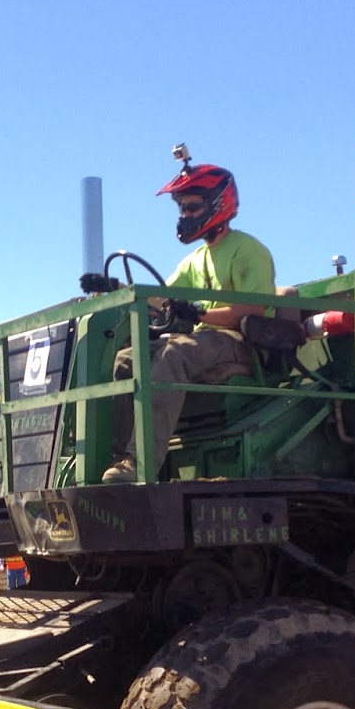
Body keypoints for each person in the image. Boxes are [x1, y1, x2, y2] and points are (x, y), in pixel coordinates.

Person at [103, 154, 275, 484]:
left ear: (219, 204)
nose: (185, 216)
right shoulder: (194, 260)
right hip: (204, 341)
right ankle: (120, 458)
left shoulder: (247, 250)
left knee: (174, 353)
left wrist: (198, 313)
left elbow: (254, 311)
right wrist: (117, 288)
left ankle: (141, 463)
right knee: (126, 360)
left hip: (242, 342)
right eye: (182, 208)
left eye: (192, 207)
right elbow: (160, 298)